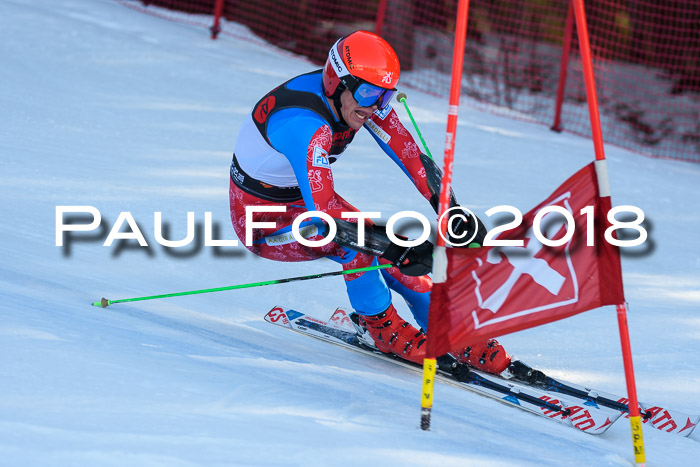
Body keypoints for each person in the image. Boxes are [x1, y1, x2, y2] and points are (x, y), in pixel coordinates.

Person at [228, 30, 511, 375]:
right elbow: (327, 220)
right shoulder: (306, 125)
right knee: (362, 245)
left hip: (307, 202)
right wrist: (392, 248)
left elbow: (408, 153)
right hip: (264, 223)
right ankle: (381, 327)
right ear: (337, 81)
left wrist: (450, 208)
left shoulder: (356, 99)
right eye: (370, 93)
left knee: (391, 247)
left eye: (386, 95)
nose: (377, 105)